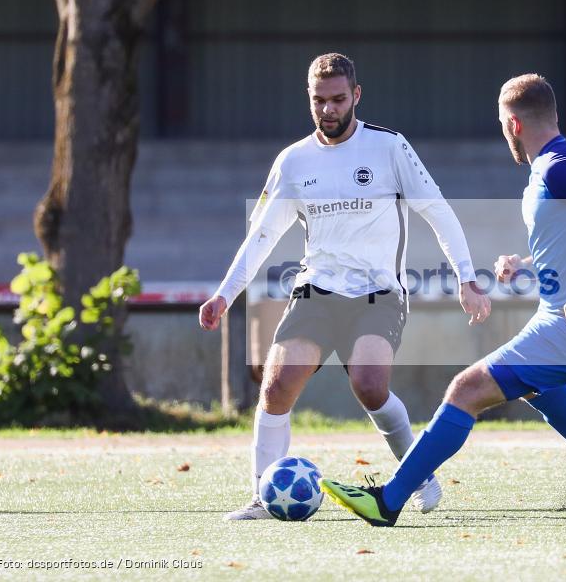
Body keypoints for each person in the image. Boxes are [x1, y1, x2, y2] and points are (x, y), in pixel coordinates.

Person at [320, 73, 566, 526]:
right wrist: (524, 263)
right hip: (561, 319)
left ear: (513, 125)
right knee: (537, 386)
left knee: (466, 389)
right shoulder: (553, 166)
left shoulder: (559, 166)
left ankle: (388, 501)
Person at [199, 53, 491, 520]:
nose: (328, 109)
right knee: (276, 387)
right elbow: (261, 237)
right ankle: (261, 496)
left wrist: (466, 278)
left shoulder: (389, 147)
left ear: (356, 95)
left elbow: (438, 211)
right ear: (309, 98)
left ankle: (418, 475)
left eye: (337, 99)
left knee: (369, 386)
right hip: (316, 291)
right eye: (319, 100)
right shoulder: (293, 161)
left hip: (379, 293)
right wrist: (224, 294)